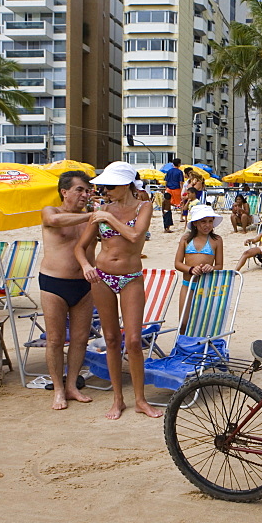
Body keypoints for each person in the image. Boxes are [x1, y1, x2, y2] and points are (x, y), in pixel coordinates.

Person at [74, 161, 161, 420]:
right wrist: (85, 265)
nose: (104, 191)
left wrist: (109, 217)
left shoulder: (144, 207)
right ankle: (117, 399)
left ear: (125, 185)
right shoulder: (100, 210)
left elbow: (135, 236)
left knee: (134, 341)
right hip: (101, 277)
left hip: (131, 277)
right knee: (111, 340)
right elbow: (80, 247)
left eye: (109, 186)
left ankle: (141, 400)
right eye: (102, 187)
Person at [38, 170, 95, 410]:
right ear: (64, 192)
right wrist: (92, 215)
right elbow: (54, 222)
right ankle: (58, 389)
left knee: (81, 339)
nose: (85, 194)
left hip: (84, 284)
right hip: (54, 283)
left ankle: (71, 385)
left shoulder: (91, 219)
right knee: (55, 339)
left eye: (87, 190)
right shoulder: (51, 211)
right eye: (79, 190)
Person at [174, 204, 223, 314]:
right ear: (195, 223)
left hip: (207, 287)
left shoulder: (216, 240)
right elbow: (177, 263)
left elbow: (219, 265)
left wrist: (211, 267)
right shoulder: (186, 239)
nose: (207, 225)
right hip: (188, 285)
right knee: (184, 321)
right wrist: (190, 269)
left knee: (203, 320)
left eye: (210, 221)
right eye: (203, 222)